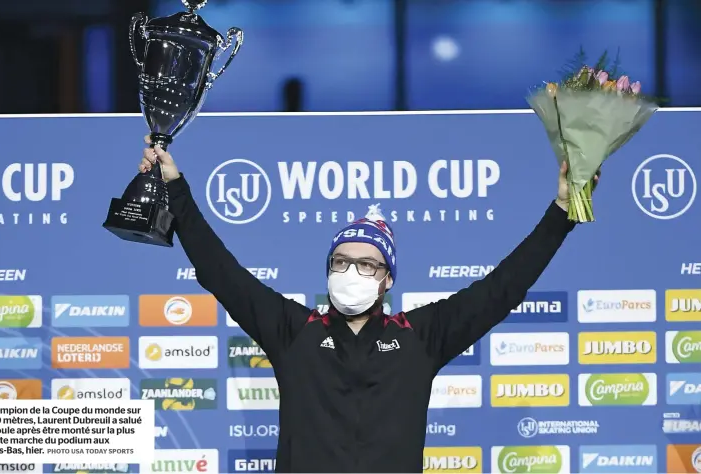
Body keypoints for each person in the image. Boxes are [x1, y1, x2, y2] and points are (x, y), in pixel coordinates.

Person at [139, 136, 600, 473]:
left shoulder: (421, 335)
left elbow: (503, 289)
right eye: (341, 261)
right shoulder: (293, 329)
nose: (351, 272)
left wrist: (562, 212)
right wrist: (175, 188)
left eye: (367, 264)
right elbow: (222, 272)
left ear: (388, 280)